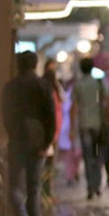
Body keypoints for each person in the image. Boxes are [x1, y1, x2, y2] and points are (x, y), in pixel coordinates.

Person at [1, 51, 56, 216]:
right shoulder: (43, 86)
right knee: (34, 188)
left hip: (17, 142)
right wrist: (46, 142)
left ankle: (21, 214)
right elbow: (50, 116)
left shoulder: (10, 87)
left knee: (14, 186)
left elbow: (6, 114)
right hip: (37, 143)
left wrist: (12, 134)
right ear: (35, 65)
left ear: (19, 65)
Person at [70, 57, 109, 200]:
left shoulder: (78, 85)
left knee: (87, 157)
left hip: (84, 125)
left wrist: (72, 128)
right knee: (98, 155)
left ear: (81, 69)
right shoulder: (99, 83)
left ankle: (90, 187)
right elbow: (108, 101)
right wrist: (107, 119)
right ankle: (97, 185)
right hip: (98, 125)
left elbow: (74, 107)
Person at [41, 59, 65, 202]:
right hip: (51, 132)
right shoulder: (48, 90)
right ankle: (45, 193)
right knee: (47, 164)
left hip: (54, 131)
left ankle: (48, 192)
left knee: (50, 164)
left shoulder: (54, 89)